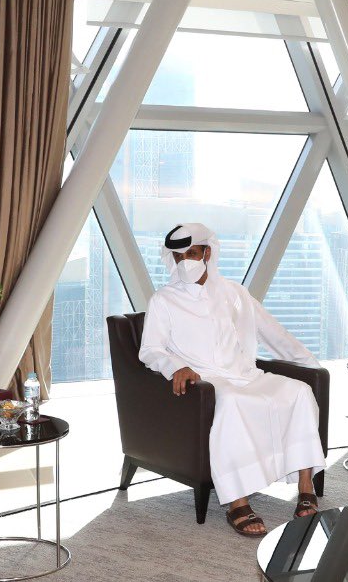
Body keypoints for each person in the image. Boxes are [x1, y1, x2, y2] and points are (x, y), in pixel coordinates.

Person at [137, 223, 325, 537]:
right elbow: (150, 349)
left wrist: (313, 366)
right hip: (207, 382)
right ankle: (238, 502)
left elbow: (273, 332)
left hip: (245, 374)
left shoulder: (234, 293)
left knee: (300, 391)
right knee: (233, 402)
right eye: (178, 256)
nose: (185, 262)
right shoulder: (163, 300)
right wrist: (176, 367)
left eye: (191, 253)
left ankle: (306, 486)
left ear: (207, 253)